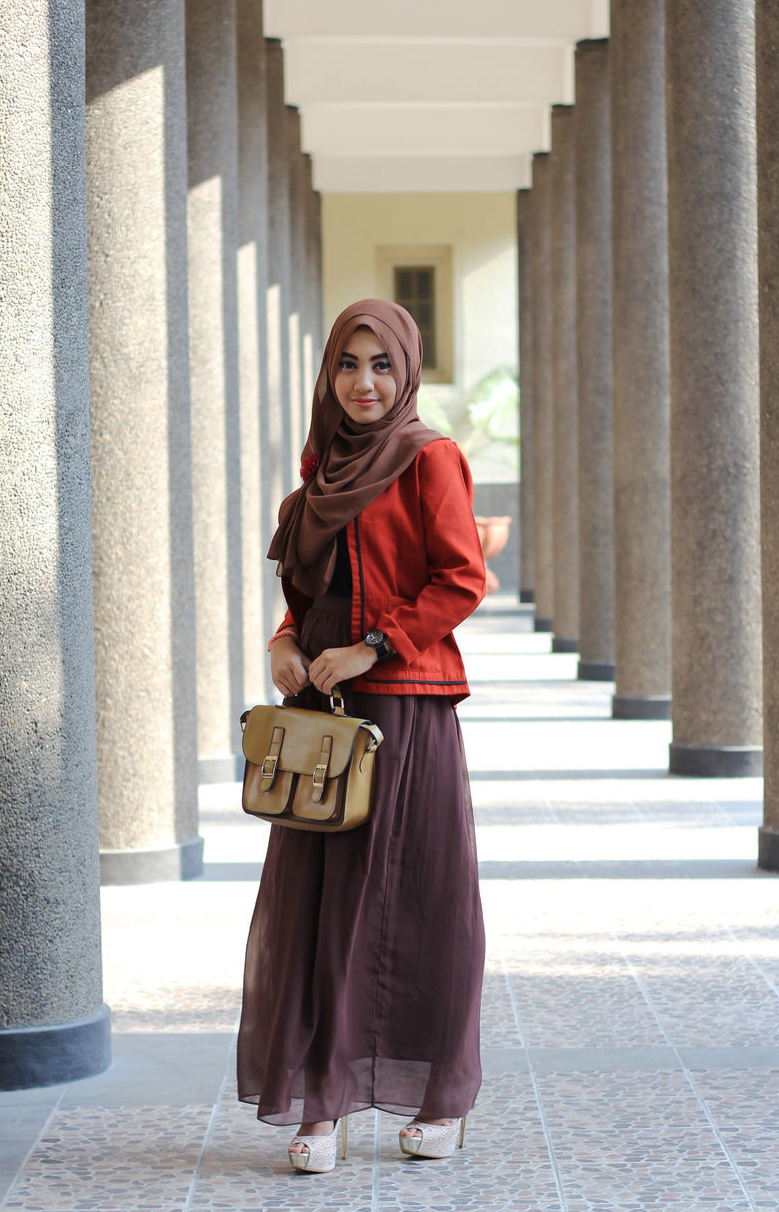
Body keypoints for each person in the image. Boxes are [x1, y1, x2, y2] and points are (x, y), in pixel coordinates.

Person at [237, 299, 488, 1174]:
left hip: (404, 709)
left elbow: (461, 577)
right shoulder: (312, 484)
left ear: (407, 370)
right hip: (321, 722)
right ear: (328, 375)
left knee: (415, 902)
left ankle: (439, 1099)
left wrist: (371, 646)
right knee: (317, 910)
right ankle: (323, 1102)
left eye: (382, 364)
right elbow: (303, 602)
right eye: (348, 363)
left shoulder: (429, 461)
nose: (364, 382)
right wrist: (282, 644)